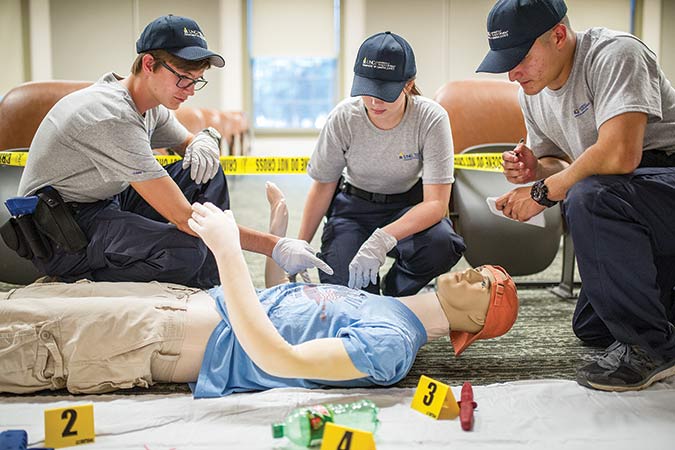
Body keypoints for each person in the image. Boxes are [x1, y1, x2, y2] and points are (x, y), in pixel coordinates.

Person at [0, 183, 518, 396]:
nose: (476, 272)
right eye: (484, 269)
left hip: (170, 337)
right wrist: (278, 234)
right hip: (182, 303)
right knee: (29, 302)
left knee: (26, 337)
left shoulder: (392, 347)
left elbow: (281, 358)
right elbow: (283, 304)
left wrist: (229, 253)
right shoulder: (378, 304)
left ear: (474, 326)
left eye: (489, 286)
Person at [12, 14, 330, 289]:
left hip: (104, 200)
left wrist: (205, 139)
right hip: (60, 231)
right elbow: (183, 216)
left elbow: (191, 146)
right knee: (187, 249)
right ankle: (82, 278)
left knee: (204, 170)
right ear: (149, 64)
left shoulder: (149, 105)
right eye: (183, 79)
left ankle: (210, 284)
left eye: (197, 81)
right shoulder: (110, 116)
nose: (190, 91)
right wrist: (275, 246)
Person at [476, 0, 675, 391]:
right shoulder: (531, 93)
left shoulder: (617, 54)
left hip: (663, 175)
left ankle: (653, 349)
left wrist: (541, 191)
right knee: (593, 327)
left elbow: (620, 154)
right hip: (629, 192)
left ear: (559, 36)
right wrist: (537, 168)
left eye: (520, 58)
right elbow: (557, 160)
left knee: (588, 196)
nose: (513, 73)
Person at [297, 31, 466, 296]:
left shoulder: (430, 118)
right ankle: (370, 294)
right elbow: (322, 188)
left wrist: (382, 238)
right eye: (367, 90)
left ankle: (396, 289)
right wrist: (300, 245)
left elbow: (436, 203)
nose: (375, 101)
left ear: (408, 84)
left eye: (385, 93)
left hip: (407, 206)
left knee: (441, 245)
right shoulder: (344, 117)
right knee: (349, 290)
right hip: (353, 209)